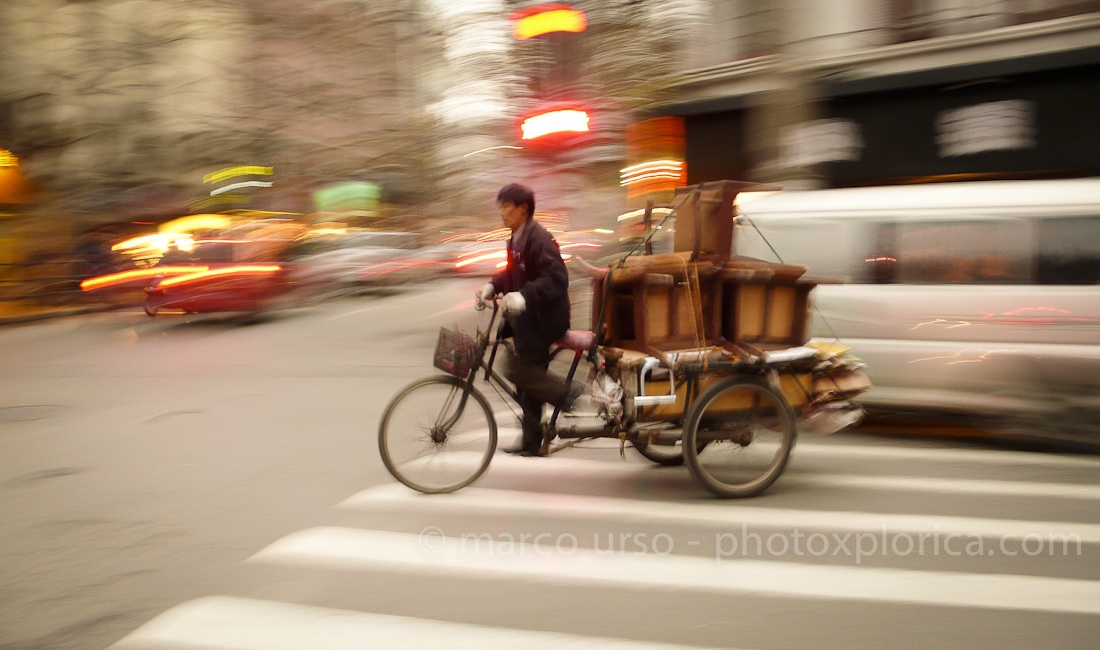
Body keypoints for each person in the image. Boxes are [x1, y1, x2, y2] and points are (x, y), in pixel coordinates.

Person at [478, 183, 579, 456]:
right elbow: (512, 274)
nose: (501, 212)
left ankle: (566, 393)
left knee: (516, 369)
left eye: (506, 206)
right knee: (526, 383)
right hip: (529, 318)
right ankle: (531, 442)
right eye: (499, 206)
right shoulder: (517, 239)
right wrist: (493, 285)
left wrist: (524, 296)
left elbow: (557, 278)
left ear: (523, 209)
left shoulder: (539, 238)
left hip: (545, 319)